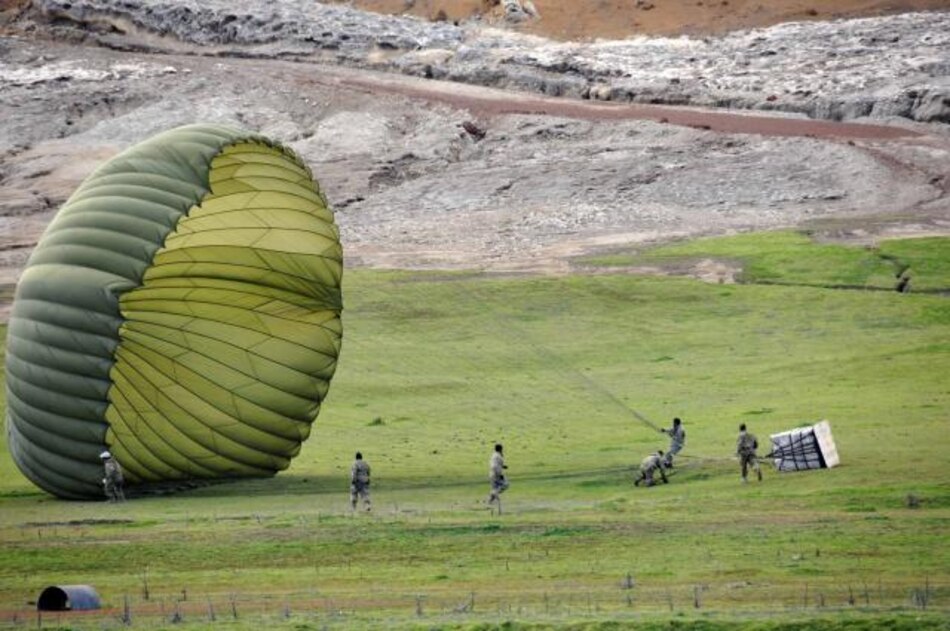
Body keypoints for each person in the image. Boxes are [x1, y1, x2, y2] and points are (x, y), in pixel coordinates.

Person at [487, 443, 509, 508]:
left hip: (491, 474)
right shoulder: (498, 456)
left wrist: (503, 466)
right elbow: (495, 466)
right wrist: (500, 474)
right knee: (506, 484)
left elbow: (494, 464)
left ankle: (490, 501)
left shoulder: (494, 455)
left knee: (494, 488)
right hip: (496, 474)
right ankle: (494, 494)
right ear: (500, 449)